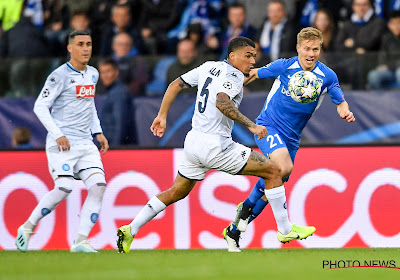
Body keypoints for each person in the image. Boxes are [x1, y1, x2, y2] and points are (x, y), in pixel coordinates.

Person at [116, 36, 315, 254]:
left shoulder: (208, 67)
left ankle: (130, 229)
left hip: (193, 143)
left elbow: (176, 84)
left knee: (176, 192)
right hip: (216, 145)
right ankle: (285, 229)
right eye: (247, 56)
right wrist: (251, 126)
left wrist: (162, 115)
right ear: (232, 56)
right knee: (274, 170)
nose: (251, 61)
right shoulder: (234, 76)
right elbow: (222, 101)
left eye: (254, 56)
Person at [222, 27, 355, 252]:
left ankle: (235, 228)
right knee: (282, 167)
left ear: (320, 49)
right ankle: (284, 231)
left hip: (292, 138)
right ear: (298, 48)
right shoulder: (285, 66)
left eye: (316, 49)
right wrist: (229, 87)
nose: (311, 54)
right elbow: (253, 74)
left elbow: (339, 100)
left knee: (275, 180)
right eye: (307, 49)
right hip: (268, 126)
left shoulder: (327, 75)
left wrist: (344, 111)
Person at [15, 30, 109, 253]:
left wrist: (98, 132)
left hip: (86, 143)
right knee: (65, 186)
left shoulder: (93, 74)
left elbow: (89, 106)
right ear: (70, 48)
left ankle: (80, 241)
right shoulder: (59, 76)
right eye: (80, 44)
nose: (86, 48)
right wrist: (58, 134)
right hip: (62, 145)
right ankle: (27, 227)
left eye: (88, 44)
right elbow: (40, 106)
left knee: (98, 187)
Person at [98, 58, 134, 145]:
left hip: (115, 147)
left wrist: (115, 148)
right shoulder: (111, 91)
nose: (105, 76)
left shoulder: (119, 93)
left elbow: (120, 124)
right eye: (102, 72)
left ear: (116, 72)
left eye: (108, 71)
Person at [367, 11, 400, 89]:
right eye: (393, 23)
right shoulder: (386, 38)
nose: (396, 26)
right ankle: (380, 100)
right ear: (389, 25)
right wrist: (382, 65)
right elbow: (382, 56)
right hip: (389, 71)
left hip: (394, 68)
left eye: (398, 23)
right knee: (373, 75)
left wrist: (389, 66)